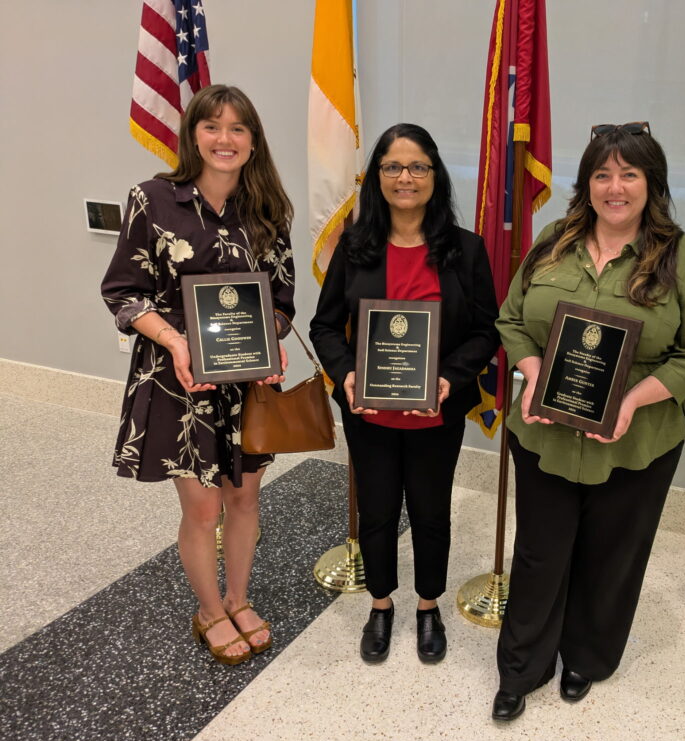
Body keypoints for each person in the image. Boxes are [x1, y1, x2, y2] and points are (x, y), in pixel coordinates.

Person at [491, 122, 685, 720]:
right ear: (586, 183)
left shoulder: (679, 258)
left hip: (636, 442)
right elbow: (512, 319)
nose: (614, 187)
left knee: (611, 553)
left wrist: (631, 400)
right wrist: (534, 367)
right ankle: (522, 667)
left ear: (652, 184)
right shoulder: (552, 242)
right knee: (540, 552)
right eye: (601, 173)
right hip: (544, 433)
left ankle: (585, 660)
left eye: (628, 174)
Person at [101, 85, 295, 665]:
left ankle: (238, 598)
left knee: (243, 500)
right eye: (212, 127)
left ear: (253, 141)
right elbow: (123, 293)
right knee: (203, 509)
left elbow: (281, 298)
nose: (224, 139)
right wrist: (176, 340)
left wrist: (274, 340)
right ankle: (209, 610)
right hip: (176, 379)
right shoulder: (152, 199)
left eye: (238, 129)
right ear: (193, 135)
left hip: (248, 386)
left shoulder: (267, 209)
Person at [310, 124, 499, 665]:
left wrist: (450, 378)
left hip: (436, 414)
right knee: (376, 510)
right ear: (377, 178)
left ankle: (427, 605)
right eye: (392, 167)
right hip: (368, 413)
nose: (405, 178)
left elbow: (487, 330)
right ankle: (381, 603)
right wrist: (346, 373)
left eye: (417, 166)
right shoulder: (354, 245)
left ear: (435, 175)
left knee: (431, 511)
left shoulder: (465, 250)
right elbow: (325, 327)